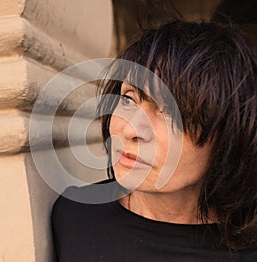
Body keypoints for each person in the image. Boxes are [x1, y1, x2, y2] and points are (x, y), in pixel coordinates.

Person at [51, 20, 257, 261]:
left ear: (229, 137)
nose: (129, 130)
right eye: (129, 99)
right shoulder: (75, 216)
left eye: (171, 112)